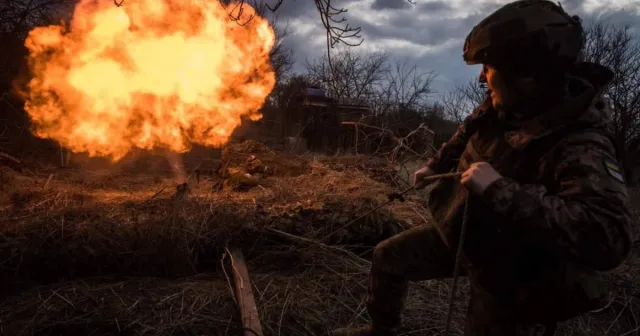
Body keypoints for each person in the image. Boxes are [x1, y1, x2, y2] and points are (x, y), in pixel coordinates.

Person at [329, 0, 633, 335]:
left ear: (526, 74)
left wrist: (498, 189)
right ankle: (381, 329)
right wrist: (435, 165)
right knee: (388, 257)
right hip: (466, 231)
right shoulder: (504, 104)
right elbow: (466, 133)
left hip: (514, 275)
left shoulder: (582, 144)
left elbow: (609, 238)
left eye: (489, 67)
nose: (481, 78)